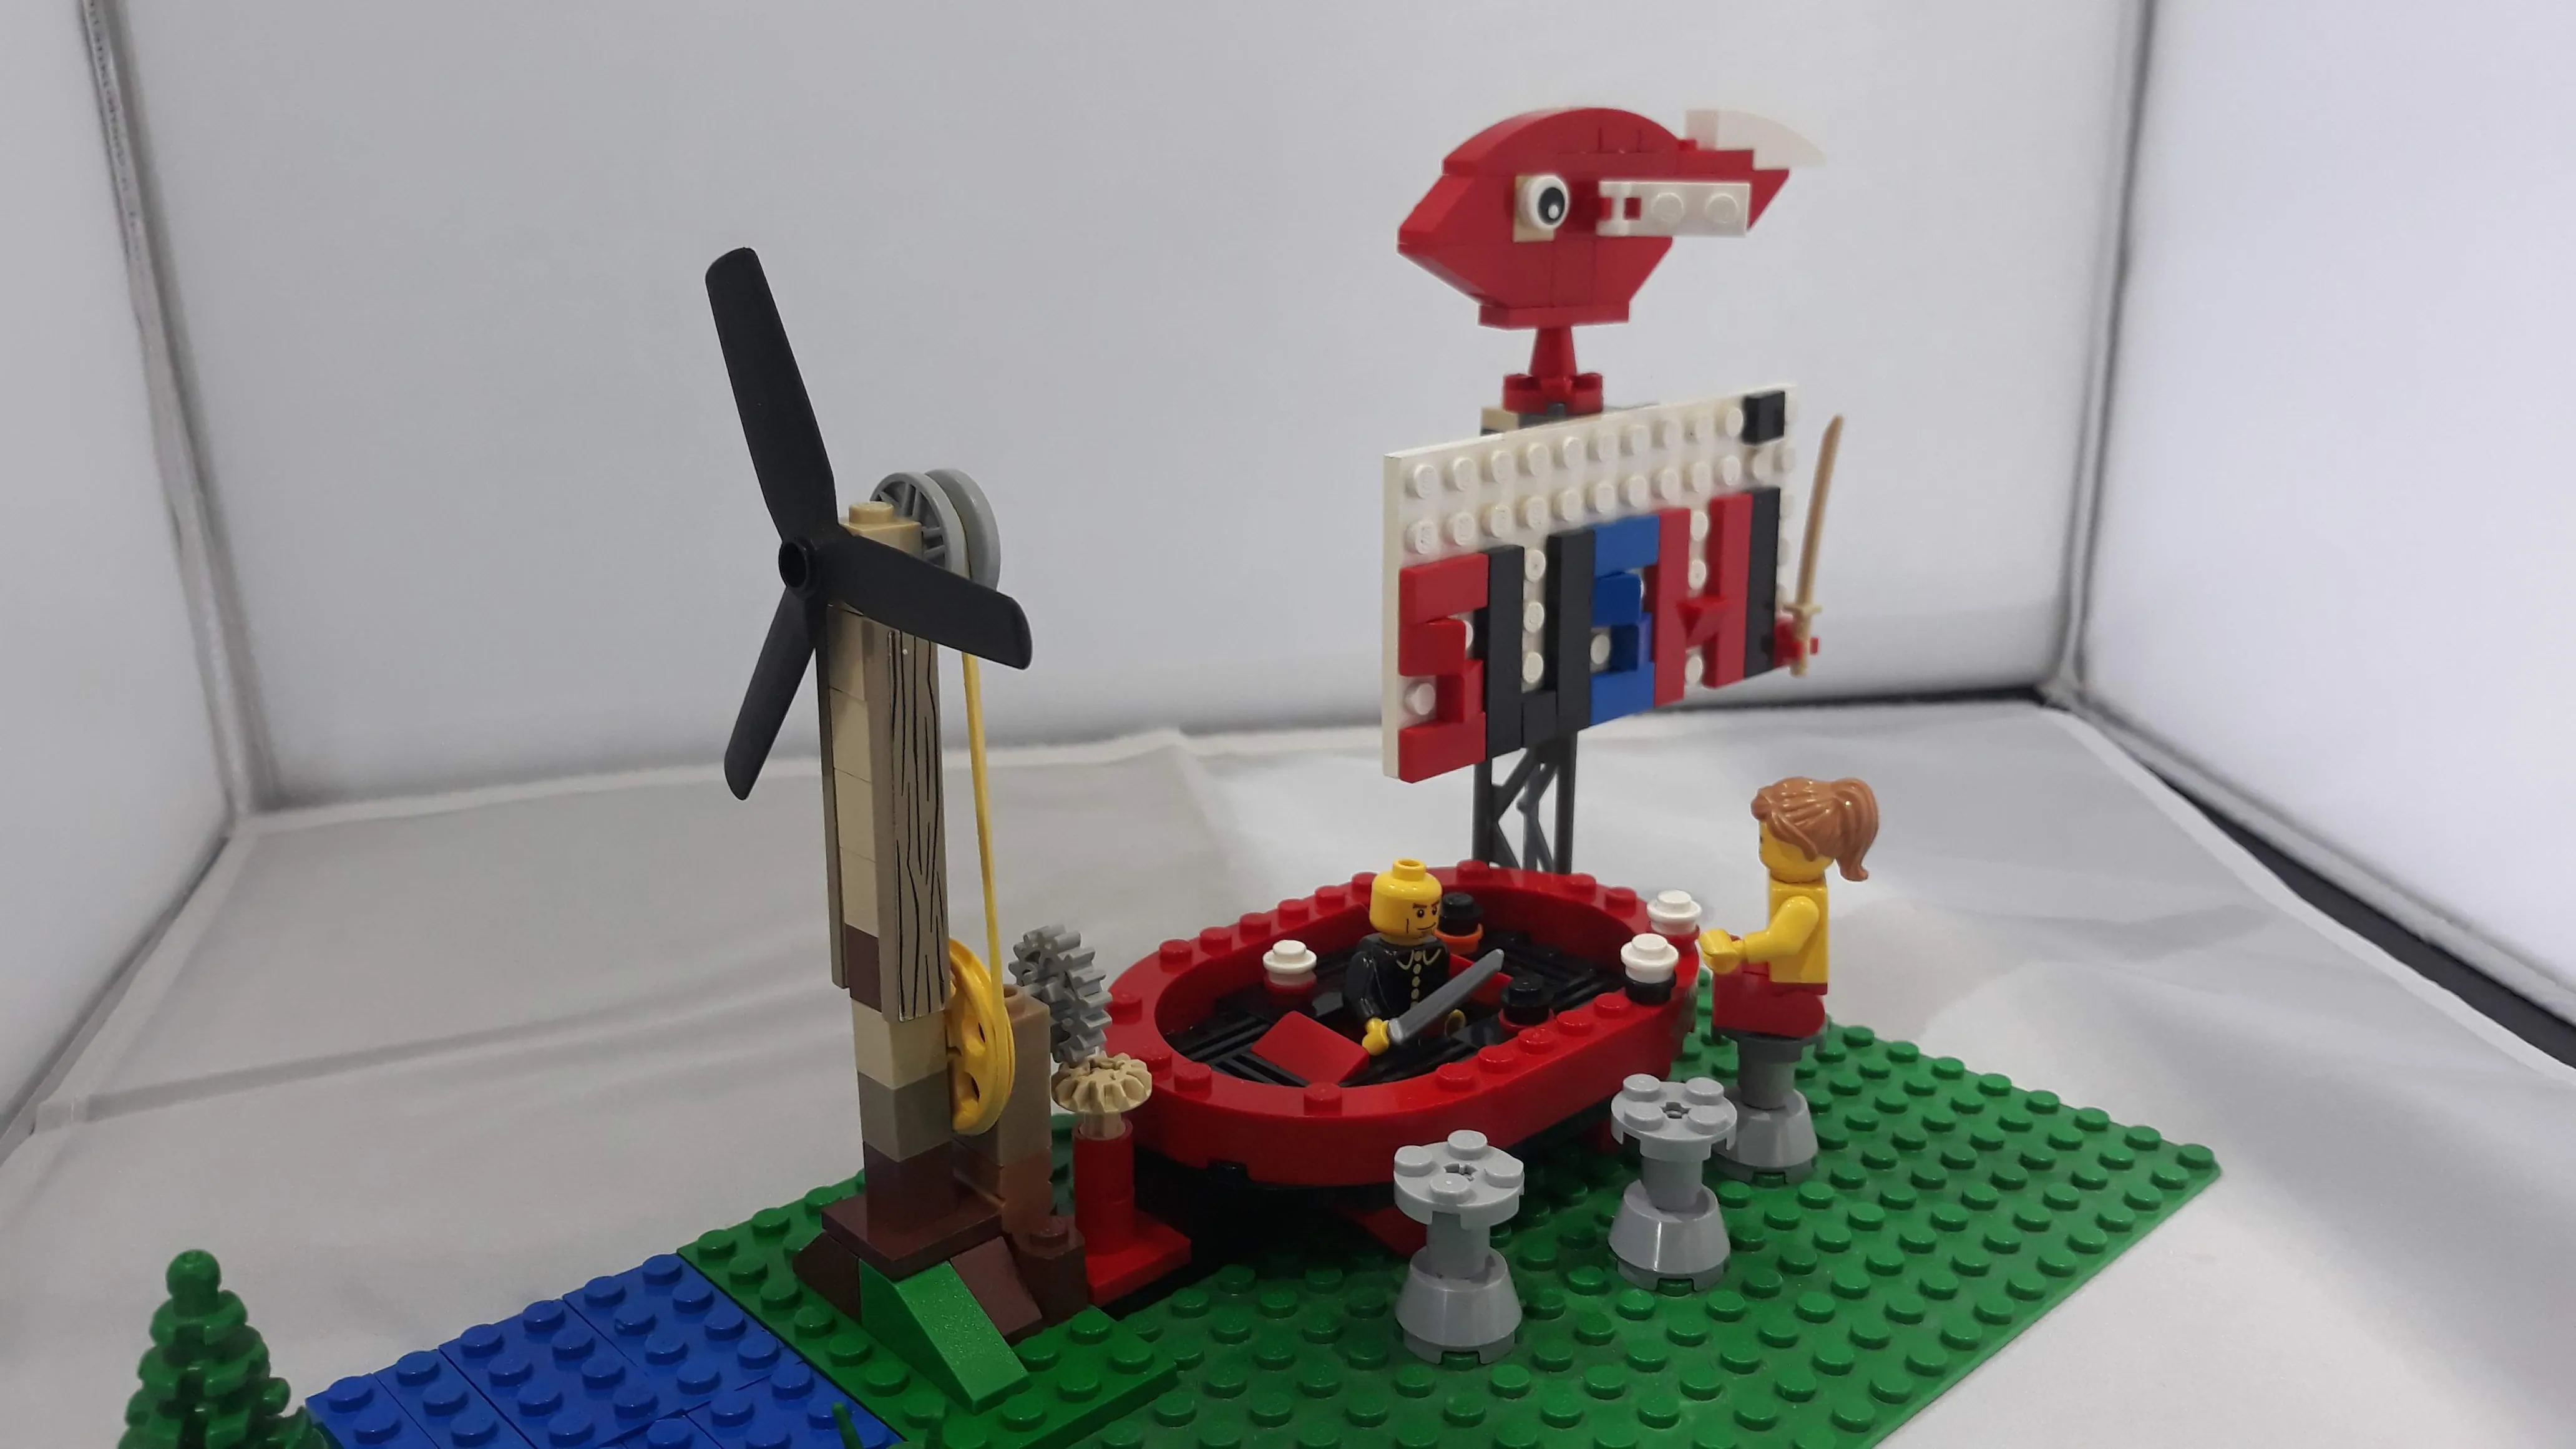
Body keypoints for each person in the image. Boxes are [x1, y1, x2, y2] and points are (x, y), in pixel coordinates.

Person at [1701, 777, 1878, 1039]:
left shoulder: (1803, 904)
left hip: (1792, 984)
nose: (1761, 848)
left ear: (1805, 850)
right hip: (1781, 973)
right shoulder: (1791, 887)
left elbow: (1783, 942)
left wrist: (1738, 951)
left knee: (1734, 981)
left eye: (1764, 841)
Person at [1348, 859, 1451, 1055]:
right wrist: (1374, 1024)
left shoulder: (1437, 950)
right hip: (1389, 1032)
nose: (1428, 919)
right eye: (1420, 913)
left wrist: (1448, 1010)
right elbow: (1358, 995)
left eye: (1433, 911)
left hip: (1428, 1030)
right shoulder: (1372, 953)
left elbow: (1441, 986)